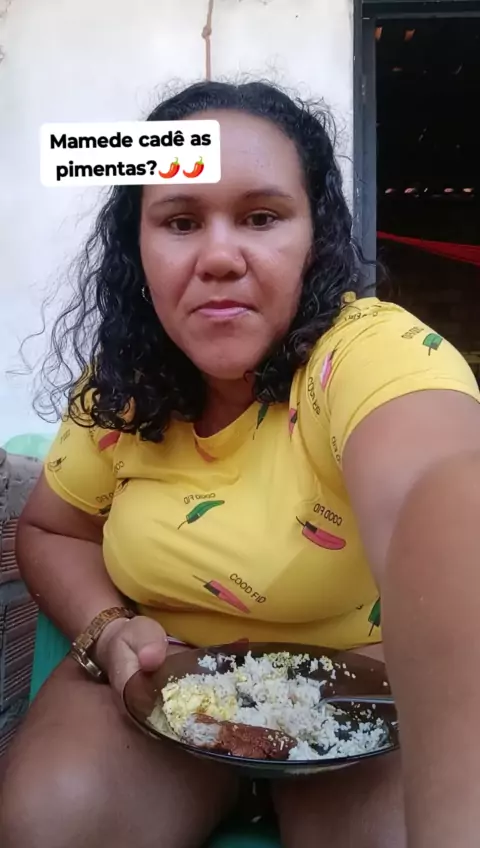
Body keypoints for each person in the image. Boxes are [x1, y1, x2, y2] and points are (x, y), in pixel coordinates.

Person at [1, 80, 480, 848]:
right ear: (137, 246)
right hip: (162, 679)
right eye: (180, 221)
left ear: (315, 237)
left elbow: (441, 492)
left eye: (261, 217)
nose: (220, 256)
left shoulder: (372, 354)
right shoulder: (121, 384)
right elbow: (53, 530)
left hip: (367, 685)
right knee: (50, 821)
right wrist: (108, 631)